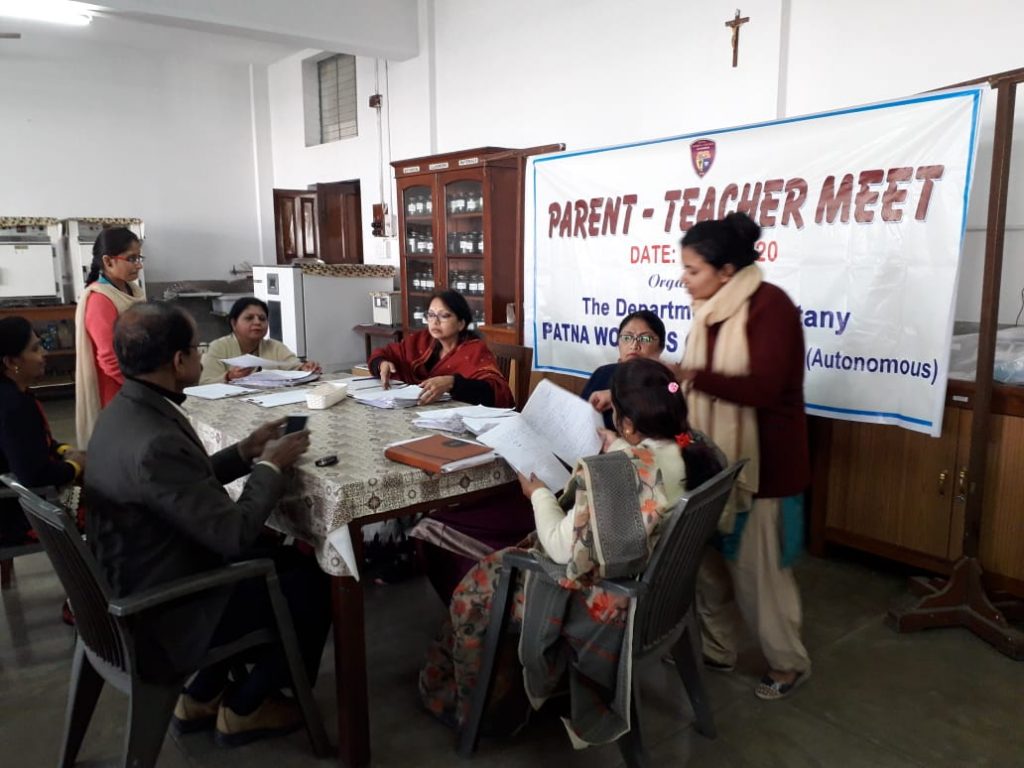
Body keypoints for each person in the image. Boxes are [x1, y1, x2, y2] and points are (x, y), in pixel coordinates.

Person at [419, 358, 723, 742]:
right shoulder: (696, 450)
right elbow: (650, 471)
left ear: (628, 423)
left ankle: (480, 712)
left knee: (474, 592)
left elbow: (562, 548)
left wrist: (538, 493)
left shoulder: (619, 473)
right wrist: (620, 445)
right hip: (660, 598)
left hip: (607, 604)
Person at [85, 301, 330, 747]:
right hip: (166, 606)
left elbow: (179, 488)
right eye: (197, 350)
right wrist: (270, 466)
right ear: (178, 361)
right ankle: (249, 706)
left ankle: (202, 693)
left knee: (283, 560)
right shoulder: (156, 439)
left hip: (140, 572)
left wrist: (244, 451)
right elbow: (233, 534)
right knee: (314, 580)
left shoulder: (125, 411)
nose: (201, 357)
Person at [674, 211, 812, 701]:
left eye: (693, 270)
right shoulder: (709, 311)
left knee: (759, 576)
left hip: (762, 467)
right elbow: (686, 383)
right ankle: (720, 648)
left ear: (726, 270)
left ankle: (787, 664)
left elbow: (763, 388)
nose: (684, 279)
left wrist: (691, 377)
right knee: (708, 566)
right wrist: (661, 384)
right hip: (710, 464)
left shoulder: (770, 306)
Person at [0, 317, 86, 546]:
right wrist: (75, 466)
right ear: (11, 362)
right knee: (112, 505)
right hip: (18, 514)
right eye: (35, 349)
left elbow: (33, 445)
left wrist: (64, 450)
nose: (44, 354)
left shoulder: (13, 395)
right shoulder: (15, 407)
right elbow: (34, 476)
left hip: (16, 499)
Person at [368, 289, 514, 407]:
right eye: (431, 315)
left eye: (444, 316)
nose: (435, 322)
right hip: (419, 411)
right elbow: (383, 354)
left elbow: (495, 393)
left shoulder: (475, 351)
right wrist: (381, 364)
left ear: (461, 324)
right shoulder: (421, 341)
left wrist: (452, 383)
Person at [74, 227, 146, 446]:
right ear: (108, 261)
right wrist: (141, 388)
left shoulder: (133, 291)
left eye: (139, 258)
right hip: (118, 390)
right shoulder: (100, 300)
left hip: (140, 380)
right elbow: (110, 359)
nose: (139, 265)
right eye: (131, 258)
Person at [200, 297, 321, 384]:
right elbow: (204, 383)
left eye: (262, 318)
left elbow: (294, 366)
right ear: (234, 323)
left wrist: (306, 369)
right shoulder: (219, 347)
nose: (257, 322)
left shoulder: (274, 347)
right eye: (249, 318)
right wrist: (229, 376)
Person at [581, 309, 667, 428]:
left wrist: (617, 397)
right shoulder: (603, 373)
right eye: (627, 338)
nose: (634, 345)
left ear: (661, 347)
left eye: (645, 339)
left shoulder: (669, 382)